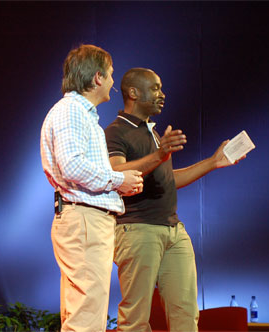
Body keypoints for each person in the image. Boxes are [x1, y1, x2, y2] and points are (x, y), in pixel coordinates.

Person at [104, 67, 245, 332]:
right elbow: (115, 173)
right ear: (133, 92)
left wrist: (214, 162)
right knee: (135, 320)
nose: (162, 94)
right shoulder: (116, 131)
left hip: (173, 230)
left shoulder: (152, 133)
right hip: (138, 229)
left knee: (186, 315)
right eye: (155, 88)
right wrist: (159, 155)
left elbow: (168, 179)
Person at [40, 45, 144, 332]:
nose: (113, 81)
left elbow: (78, 169)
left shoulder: (81, 115)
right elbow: (72, 167)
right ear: (97, 77)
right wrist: (117, 180)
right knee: (87, 319)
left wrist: (119, 187)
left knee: (84, 315)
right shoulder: (72, 111)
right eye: (110, 75)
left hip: (85, 217)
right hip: (84, 219)